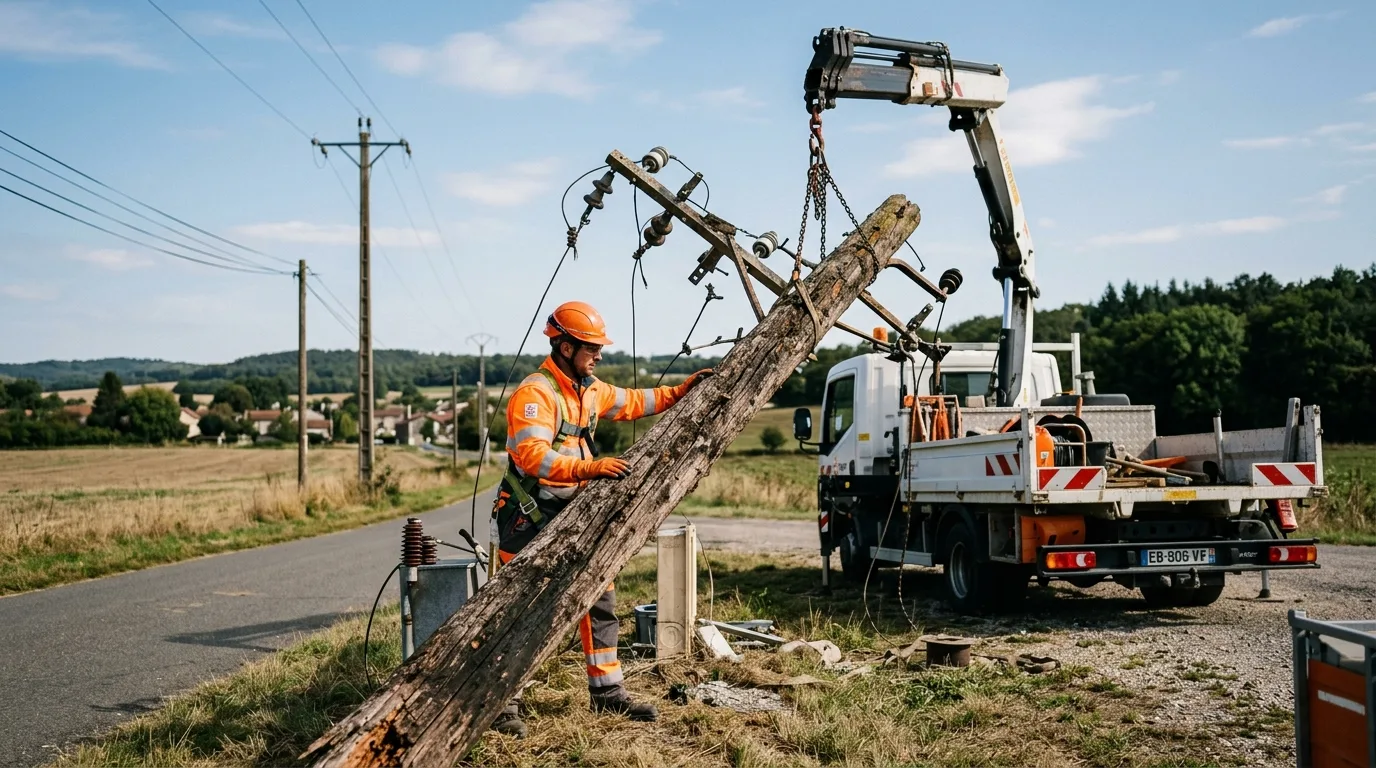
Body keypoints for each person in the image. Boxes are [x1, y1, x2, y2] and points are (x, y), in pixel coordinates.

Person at [489, 300, 712, 738]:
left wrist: (683, 391)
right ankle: (503, 704)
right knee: (515, 608)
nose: (599, 354)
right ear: (565, 345)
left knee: (600, 600)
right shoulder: (536, 394)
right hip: (527, 513)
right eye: (591, 347)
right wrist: (589, 468)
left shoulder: (589, 387)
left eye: (598, 347)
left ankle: (607, 694)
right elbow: (532, 457)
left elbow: (635, 401)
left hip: (574, 511)